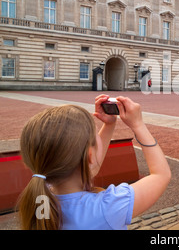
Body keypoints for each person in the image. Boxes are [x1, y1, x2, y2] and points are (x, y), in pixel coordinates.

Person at [17, 94, 171, 230]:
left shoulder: (40, 198)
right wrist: (138, 124)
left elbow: (86, 167)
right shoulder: (108, 208)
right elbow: (161, 175)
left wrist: (109, 125)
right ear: (90, 155)